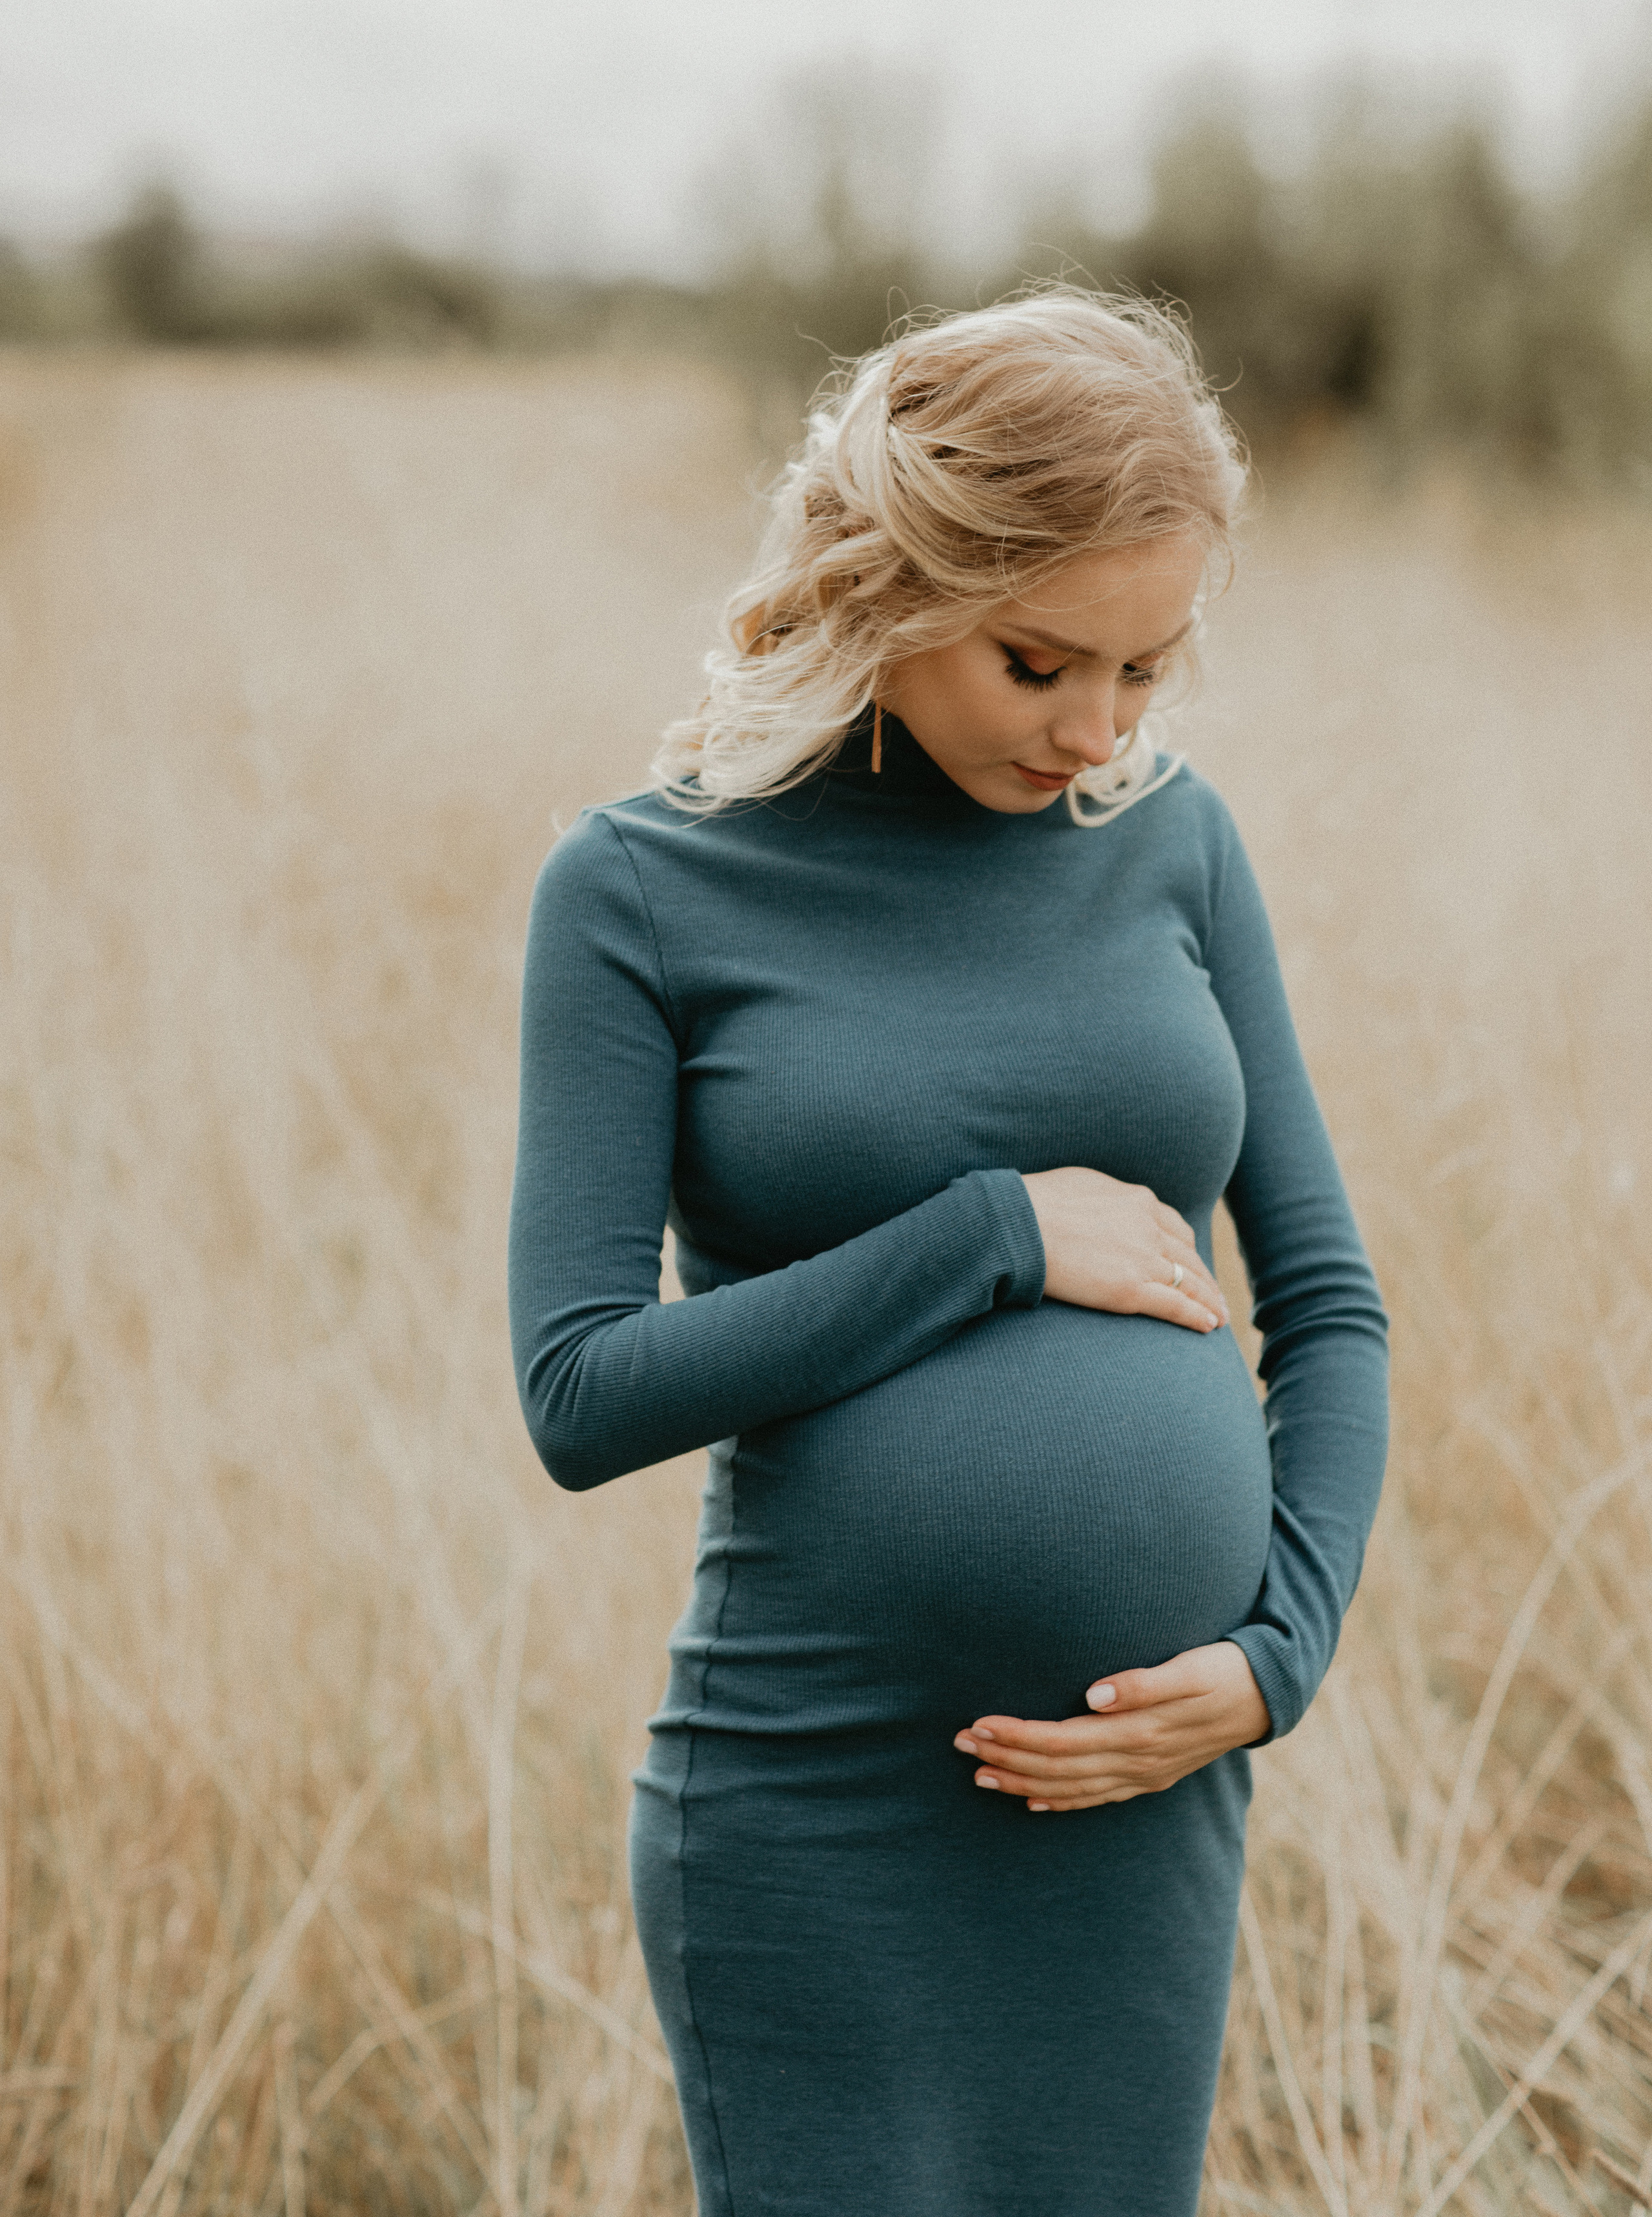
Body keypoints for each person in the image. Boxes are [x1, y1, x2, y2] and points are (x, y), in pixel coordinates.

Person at [508, 291, 1389, 2217]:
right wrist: (989, 1237)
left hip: (1143, 1813)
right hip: (819, 1811)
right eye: (1037, 661)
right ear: (890, 582)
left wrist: (1277, 1659)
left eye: (1149, 671)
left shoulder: (1176, 845)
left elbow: (1325, 1303)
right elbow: (579, 1391)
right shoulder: (641, 890)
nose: (1095, 727)